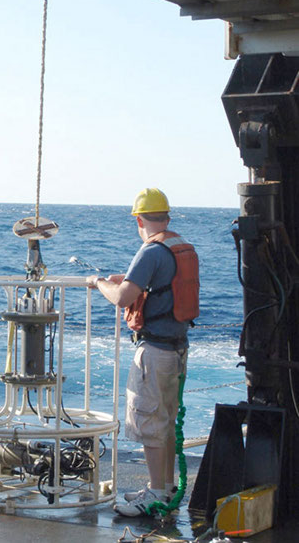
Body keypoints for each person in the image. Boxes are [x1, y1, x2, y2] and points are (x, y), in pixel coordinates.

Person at [87, 188, 199, 517]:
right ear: (165, 216)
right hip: (178, 348)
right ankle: (161, 489)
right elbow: (161, 286)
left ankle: (153, 493)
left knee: (150, 422)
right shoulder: (179, 246)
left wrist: (98, 283)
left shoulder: (150, 251)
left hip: (154, 350)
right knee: (163, 423)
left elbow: (122, 297)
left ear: (139, 219)